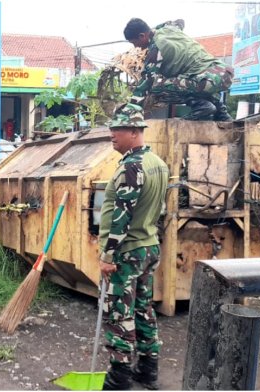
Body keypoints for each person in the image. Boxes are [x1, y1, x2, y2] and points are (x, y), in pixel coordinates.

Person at [98, 103, 169, 390]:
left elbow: (121, 218)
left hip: (127, 250)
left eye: (118, 129)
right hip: (149, 246)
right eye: (112, 128)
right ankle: (148, 370)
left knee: (119, 312)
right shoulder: (158, 164)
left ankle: (119, 377)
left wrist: (108, 255)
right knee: (143, 308)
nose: (112, 134)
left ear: (135, 131)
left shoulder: (132, 167)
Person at [123, 18, 233, 121]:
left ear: (142, 36)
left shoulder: (156, 50)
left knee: (156, 87)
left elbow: (145, 84)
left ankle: (202, 106)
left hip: (207, 79)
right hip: (223, 73)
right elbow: (180, 22)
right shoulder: (169, 28)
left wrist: (128, 112)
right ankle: (221, 113)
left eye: (134, 43)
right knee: (192, 80)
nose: (137, 47)